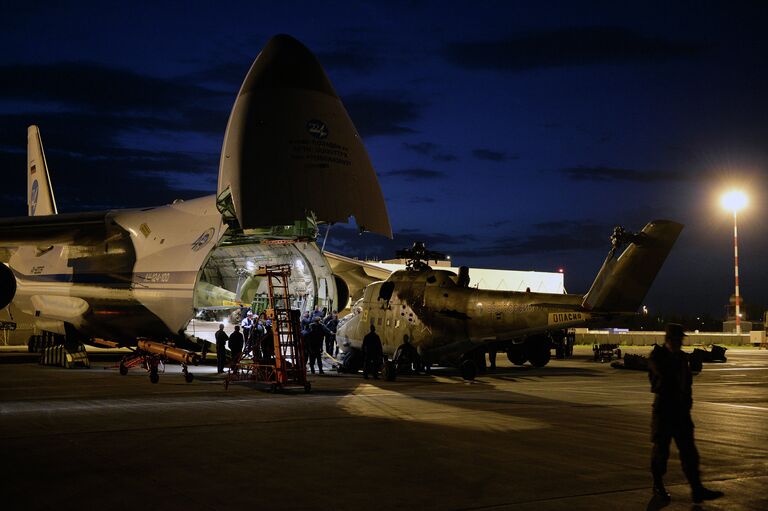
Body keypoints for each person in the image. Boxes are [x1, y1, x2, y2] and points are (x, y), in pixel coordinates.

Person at [648, 323, 724, 503]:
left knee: (689, 452)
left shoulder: (681, 358)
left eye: (680, 340)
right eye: (676, 340)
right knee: (661, 452)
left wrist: (687, 402)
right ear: (668, 340)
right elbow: (663, 378)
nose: (679, 343)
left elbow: (687, 381)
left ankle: (697, 489)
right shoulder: (658, 356)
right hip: (664, 410)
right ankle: (658, 486)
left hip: (680, 411)